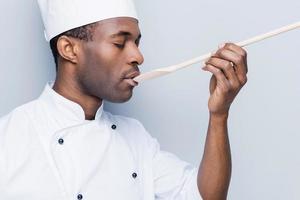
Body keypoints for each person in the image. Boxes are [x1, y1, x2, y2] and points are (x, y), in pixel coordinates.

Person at [0, 0, 248, 199]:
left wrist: (219, 114)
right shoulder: (8, 139)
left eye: (136, 42)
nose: (138, 56)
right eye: (120, 43)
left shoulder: (135, 138)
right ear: (69, 49)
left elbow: (204, 197)